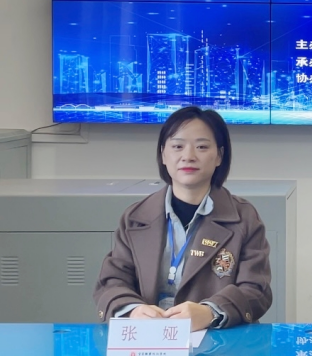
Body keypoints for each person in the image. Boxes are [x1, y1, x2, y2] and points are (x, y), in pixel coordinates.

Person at [93, 106, 272, 331]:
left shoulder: (244, 218)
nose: (188, 156)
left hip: (217, 339)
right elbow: (111, 281)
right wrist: (134, 310)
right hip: (148, 338)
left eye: (202, 147)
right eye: (177, 146)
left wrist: (210, 312)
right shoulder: (135, 217)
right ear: (163, 154)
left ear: (219, 156)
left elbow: (256, 290)